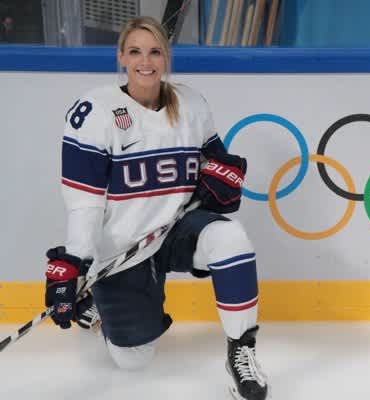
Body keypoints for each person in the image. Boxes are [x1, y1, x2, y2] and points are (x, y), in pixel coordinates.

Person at [44, 16, 268, 400]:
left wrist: (223, 177)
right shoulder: (94, 113)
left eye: (154, 52)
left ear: (166, 58)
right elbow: (85, 202)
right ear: (121, 57)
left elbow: (215, 161)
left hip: (178, 227)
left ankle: (241, 351)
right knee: (134, 360)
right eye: (135, 52)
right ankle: (95, 305)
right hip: (124, 245)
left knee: (230, 238)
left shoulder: (192, 104)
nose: (145, 61)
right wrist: (76, 262)